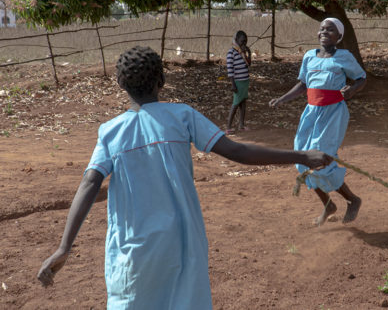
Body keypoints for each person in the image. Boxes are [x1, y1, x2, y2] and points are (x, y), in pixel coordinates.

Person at [36, 46, 332, 309]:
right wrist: (302, 156)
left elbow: (89, 183)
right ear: (161, 82)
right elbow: (238, 151)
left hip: (134, 251)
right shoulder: (182, 116)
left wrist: (64, 247)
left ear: (119, 84)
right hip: (183, 243)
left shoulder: (110, 132)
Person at [269, 17, 366, 226]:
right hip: (311, 113)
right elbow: (303, 84)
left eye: (330, 30)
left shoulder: (343, 56)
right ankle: (328, 205)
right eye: (322, 29)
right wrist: (282, 99)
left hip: (333, 113)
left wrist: (352, 90)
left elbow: (361, 78)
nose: (324, 32)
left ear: (339, 36)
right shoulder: (309, 57)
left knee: (321, 158)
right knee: (302, 159)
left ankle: (352, 199)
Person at [226, 30, 252, 134]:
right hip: (238, 83)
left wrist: (249, 53)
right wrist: (233, 84)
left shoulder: (242, 53)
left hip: (245, 81)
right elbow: (230, 70)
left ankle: (241, 125)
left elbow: (249, 64)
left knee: (243, 103)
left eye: (245, 41)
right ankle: (228, 127)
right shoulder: (231, 52)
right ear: (236, 40)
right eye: (242, 41)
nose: (244, 43)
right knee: (236, 104)